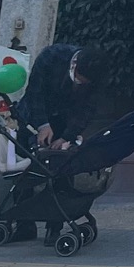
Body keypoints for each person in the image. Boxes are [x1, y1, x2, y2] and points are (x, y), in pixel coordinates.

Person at [16, 41, 106, 243]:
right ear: (74, 66)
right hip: (35, 116)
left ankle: (55, 226)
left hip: (65, 120)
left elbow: (87, 109)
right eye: (79, 80)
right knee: (25, 167)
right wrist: (42, 125)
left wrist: (67, 136)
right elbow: (35, 93)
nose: (79, 84)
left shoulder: (97, 76)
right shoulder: (52, 56)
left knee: (61, 166)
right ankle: (23, 223)